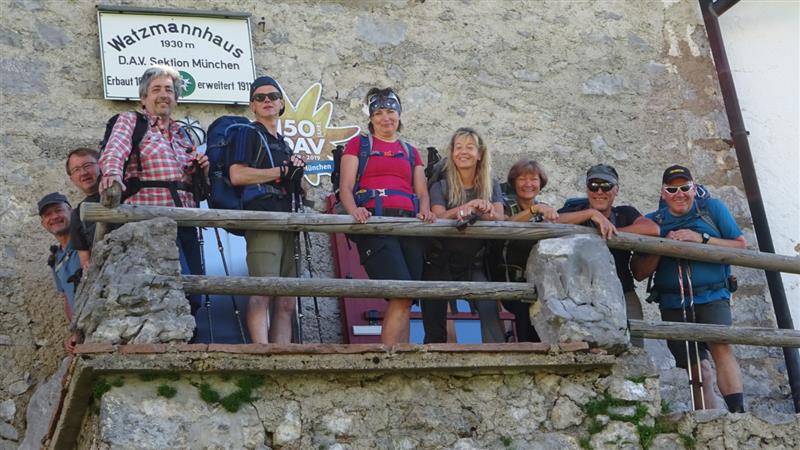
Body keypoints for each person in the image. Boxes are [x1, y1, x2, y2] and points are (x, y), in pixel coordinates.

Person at [631, 165, 745, 412]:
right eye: (672, 189)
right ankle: (708, 421)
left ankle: (738, 415)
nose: (679, 194)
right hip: (674, 301)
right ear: (663, 193)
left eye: (685, 187)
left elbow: (740, 246)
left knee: (721, 348)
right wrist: (662, 246)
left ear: (694, 189)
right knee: (696, 365)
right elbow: (639, 272)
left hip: (713, 295)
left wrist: (701, 239)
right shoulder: (652, 222)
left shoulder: (712, 210)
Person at [98, 64, 209, 318]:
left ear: (175, 98)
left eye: (169, 90)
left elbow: (196, 185)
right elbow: (115, 150)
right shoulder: (132, 121)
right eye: (156, 89)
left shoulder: (182, 134)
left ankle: (188, 347)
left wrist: (201, 169)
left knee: (195, 293)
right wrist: (112, 176)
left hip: (186, 223)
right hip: (150, 222)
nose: (163, 94)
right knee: (164, 291)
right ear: (143, 98)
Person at [338, 87, 435, 345]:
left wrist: (424, 209)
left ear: (399, 114)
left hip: (409, 227)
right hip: (375, 226)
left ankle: (400, 353)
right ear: (370, 118)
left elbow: (422, 192)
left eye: (390, 111)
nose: (385, 118)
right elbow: (345, 188)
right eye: (378, 113)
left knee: (406, 296)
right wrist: (354, 210)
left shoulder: (410, 150)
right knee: (400, 293)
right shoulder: (358, 144)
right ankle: (389, 355)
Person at [229, 75, 305, 344]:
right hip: (263, 218)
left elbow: (292, 183)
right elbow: (237, 175)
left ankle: (280, 354)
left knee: (287, 299)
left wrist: (296, 175)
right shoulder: (247, 133)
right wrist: (281, 171)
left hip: (287, 219)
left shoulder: (283, 143)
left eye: (272, 96)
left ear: (281, 103)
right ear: (252, 105)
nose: (267, 101)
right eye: (260, 98)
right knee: (263, 288)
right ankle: (261, 352)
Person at [557, 164, 660, 347]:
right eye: (593, 185)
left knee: (635, 344)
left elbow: (652, 229)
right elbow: (552, 222)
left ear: (616, 190)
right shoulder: (575, 210)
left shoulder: (624, 213)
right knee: (586, 346)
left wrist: (611, 231)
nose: (599, 191)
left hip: (623, 291)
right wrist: (591, 213)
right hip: (582, 295)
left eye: (606, 186)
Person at [422, 127, 506, 343]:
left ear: (480, 153)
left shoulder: (491, 184)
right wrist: (466, 206)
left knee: (489, 308)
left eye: (470, 147)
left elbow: (500, 218)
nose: (463, 152)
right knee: (433, 322)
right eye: (458, 147)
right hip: (439, 261)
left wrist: (483, 210)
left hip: (473, 263)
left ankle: (496, 360)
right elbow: (438, 215)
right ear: (451, 153)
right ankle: (432, 364)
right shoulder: (441, 183)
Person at [489, 159, 558, 342]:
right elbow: (505, 224)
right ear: (514, 183)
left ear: (540, 183)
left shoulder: (544, 208)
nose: (528, 184)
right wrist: (535, 210)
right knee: (526, 325)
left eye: (533, 179)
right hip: (511, 280)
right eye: (522, 179)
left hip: (540, 282)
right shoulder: (503, 204)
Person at [37, 192, 80, 352]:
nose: (54, 216)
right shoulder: (55, 259)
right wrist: (76, 331)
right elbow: (68, 299)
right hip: (84, 329)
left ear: (71, 212)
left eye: (58, 210)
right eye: (48, 214)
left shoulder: (89, 241)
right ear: (43, 223)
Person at [66, 148, 101, 270]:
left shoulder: (127, 194)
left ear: (101, 164)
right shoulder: (77, 215)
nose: (83, 172)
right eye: (76, 170)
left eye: (88, 165)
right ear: (72, 179)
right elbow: (86, 263)